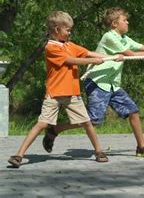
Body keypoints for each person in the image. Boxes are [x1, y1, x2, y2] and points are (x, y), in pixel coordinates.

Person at [43, 7, 144, 158]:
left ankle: (142, 147)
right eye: (124, 20)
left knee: (133, 112)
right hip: (98, 83)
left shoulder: (125, 39)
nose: (127, 22)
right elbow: (130, 54)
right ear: (114, 24)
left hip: (113, 84)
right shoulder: (109, 37)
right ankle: (55, 130)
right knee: (93, 120)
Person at [8, 11, 121, 168]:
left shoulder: (71, 45)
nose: (69, 33)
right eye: (67, 30)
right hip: (54, 94)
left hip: (72, 93)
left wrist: (113, 57)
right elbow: (70, 60)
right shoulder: (51, 47)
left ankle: (98, 151)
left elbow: (88, 53)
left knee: (87, 122)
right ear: (56, 30)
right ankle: (19, 155)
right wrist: (95, 61)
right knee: (41, 124)